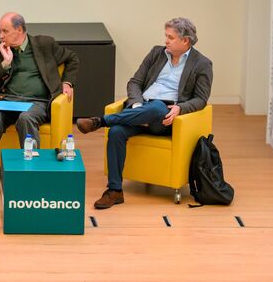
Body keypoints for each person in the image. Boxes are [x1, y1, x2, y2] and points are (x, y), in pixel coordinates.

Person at [77, 17, 213, 209]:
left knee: (157, 107)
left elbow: (201, 99)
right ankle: (115, 191)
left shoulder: (202, 64)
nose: (166, 41)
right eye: (166, 36)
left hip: (164, 117)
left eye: (171, 37)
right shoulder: (156, 53)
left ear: (185, 41)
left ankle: (100, 121)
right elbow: (135, 82)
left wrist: (180, 108)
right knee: (116, 132)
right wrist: (136, 105)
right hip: (139, 109)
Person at [0, 12, 80, 197]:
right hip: (8, 101)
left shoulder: (44, 44)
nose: (1, 36)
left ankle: (31, 175)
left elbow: (72, 58)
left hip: (37, 103)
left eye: (5, 31)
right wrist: (6, 63)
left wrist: (67, 82)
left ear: (19, 30)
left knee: (26, 119)